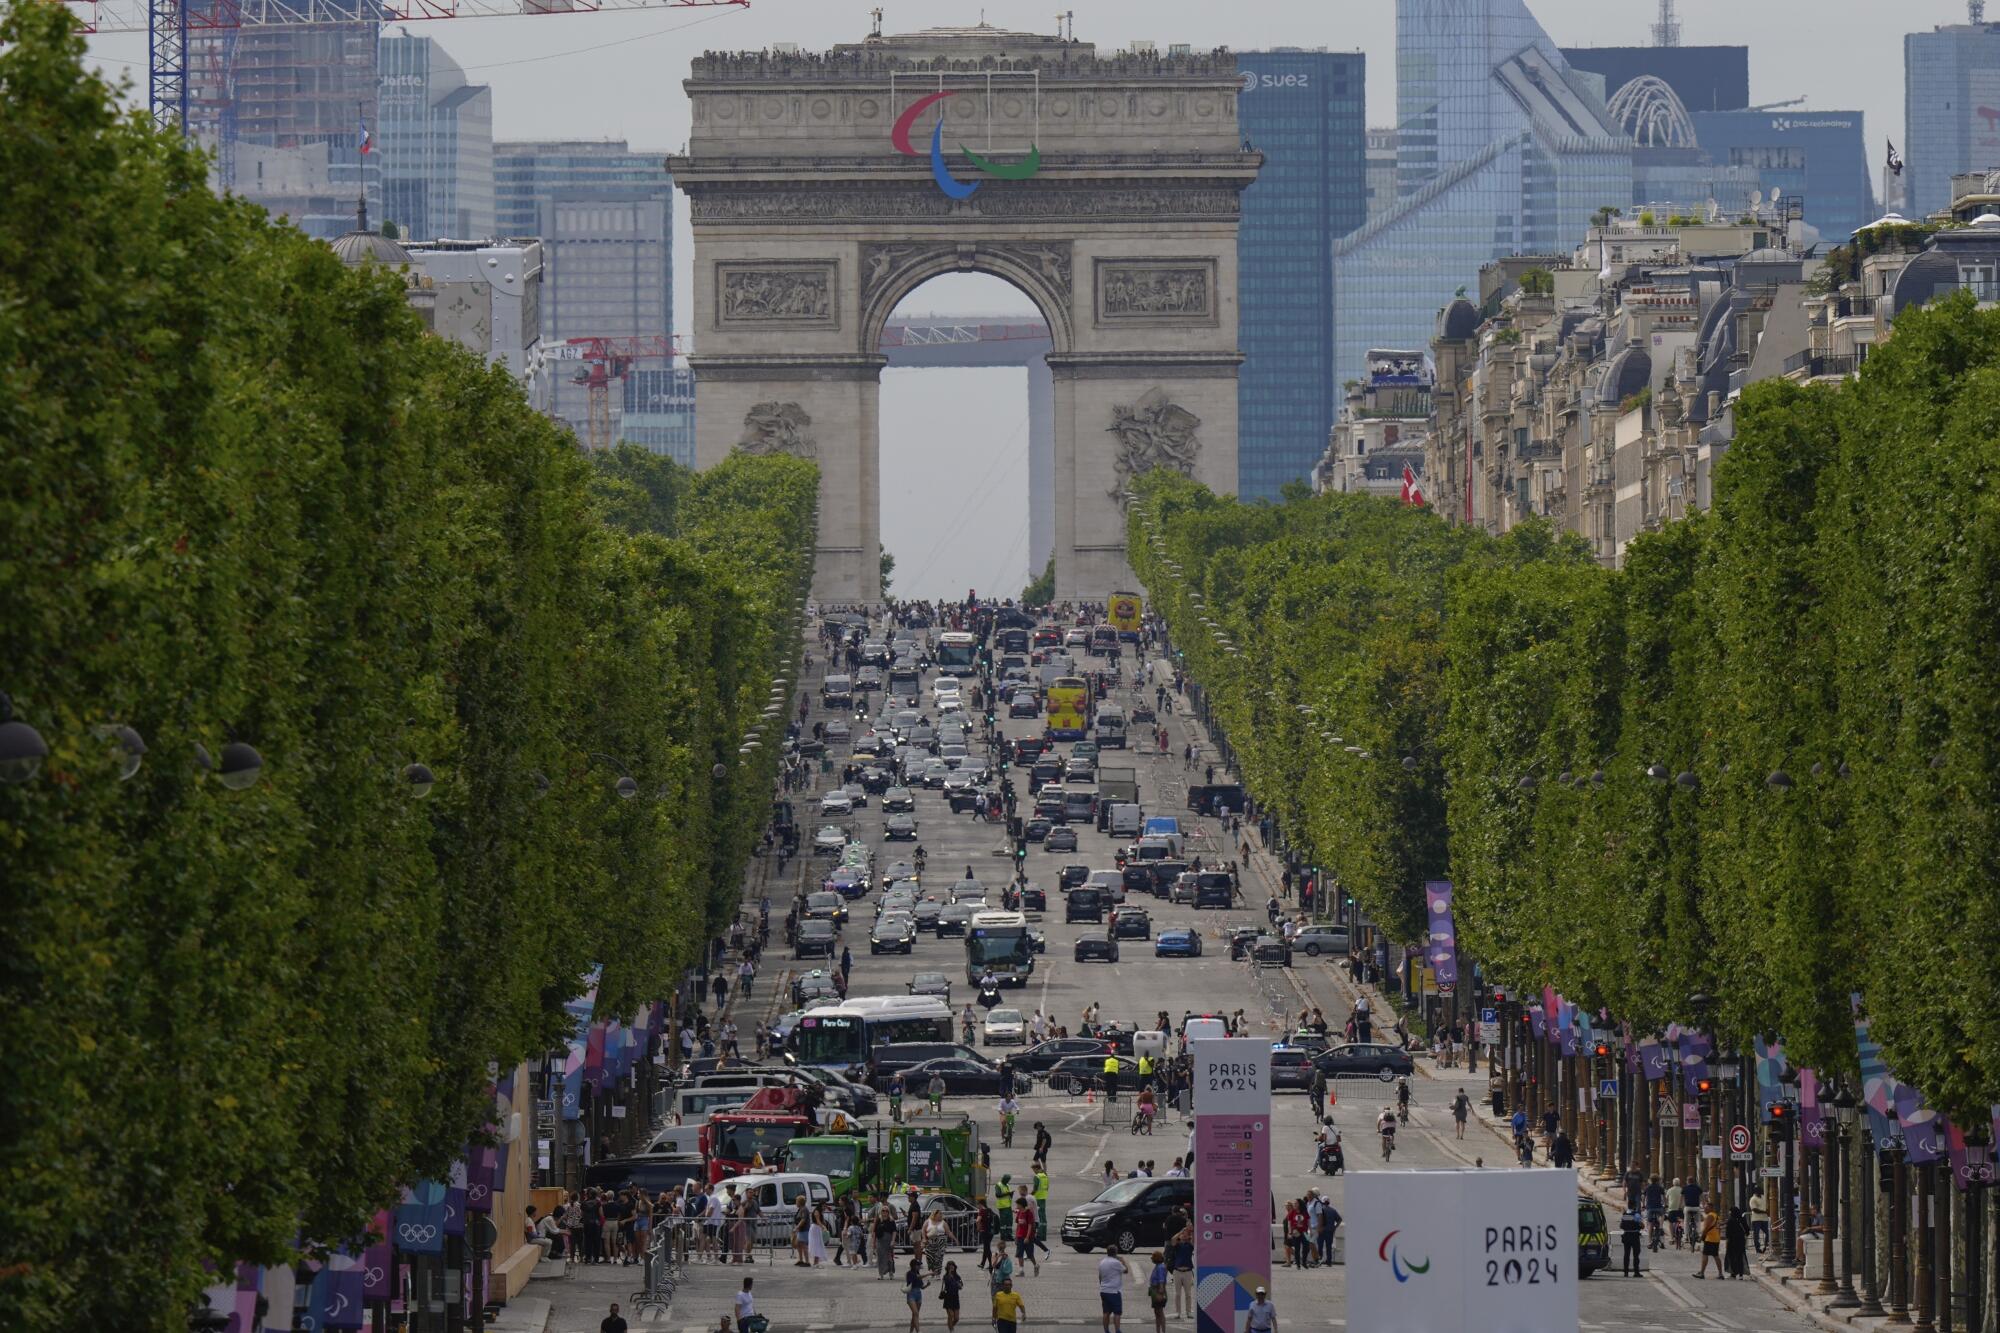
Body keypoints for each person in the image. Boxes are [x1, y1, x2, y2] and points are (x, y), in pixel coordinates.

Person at [1097, 1249, 1131, 1333]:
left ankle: (1106, 1330)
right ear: (1115, 1253)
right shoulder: (1116, 1263)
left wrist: (1102, 1285)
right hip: (1114, 1291)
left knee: (1106, 1312)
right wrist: (1122, 1261)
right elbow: (1126, 1270)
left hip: (1104, 1290)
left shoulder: (1102, 1262)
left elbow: (1100, 1276)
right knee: (1117, 1312)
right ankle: (1117, 1330)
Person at [1167, 1219, 1195, 1318]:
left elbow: (1194, 1241)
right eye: (1183, 1234)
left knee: (1188, 1294)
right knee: (1177, 1294)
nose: (1184, 1235)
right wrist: (1180, 1231)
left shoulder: (1190, 1245)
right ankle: (1178, 1312)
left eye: (1185, 1234)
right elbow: (1173, 1240)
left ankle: (1188, 1312)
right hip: (1177, 1271)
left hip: (1187, 1271)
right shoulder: (1177, 1245)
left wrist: (1190, 1230)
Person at [1694, 1203, 1722, 1278]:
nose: (1705, 1209)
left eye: (1706, 1208)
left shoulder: (1710, 1216)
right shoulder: (1716, 1216)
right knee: (1716, 1256)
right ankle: (1720, 1274)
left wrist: (1701, 1237)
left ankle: (1702, 1273)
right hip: (1716, 1238)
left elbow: (1706, 1228)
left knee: (1705, 1255)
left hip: (1710, 1238)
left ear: (1711, 1208)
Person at [1724, 1206, 1750, 1279]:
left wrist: (1726, 1243)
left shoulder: (1730, 1220)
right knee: (1740, 1257)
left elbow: (1728, 1234)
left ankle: (1733, 1273)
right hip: (1741, 1241)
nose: (1729, 1212)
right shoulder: (1742, 1219)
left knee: (1732, 1257)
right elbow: (1747, 1230)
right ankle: (1741, 1274)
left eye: (1730, 1211)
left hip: (1732, 1242)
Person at [1147, 1251, 1170, 1333]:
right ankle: (1158, 1331)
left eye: (1153, 1257)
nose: (1152, 1259)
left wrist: (1160, 1292)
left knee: (1159, 1312)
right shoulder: (1159, 1266)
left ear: (1156, 1258)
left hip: (1157, 1290)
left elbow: (1161, 1280)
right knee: (1157, 1312)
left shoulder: (1160, 1267)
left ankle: (1162, 1331)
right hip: (1155, 1290)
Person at [1619, 1205, 1644, 1276]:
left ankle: (1626, 1272)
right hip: (1634, 1236)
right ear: (1634, 1206)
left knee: (1626, 1254)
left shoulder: (1624, 1214)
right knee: (1636, 1255)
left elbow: (1621, 1226)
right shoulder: (1636, 1215)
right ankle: (1636, 1272)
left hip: (1626, 1236)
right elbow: (1642, 1225)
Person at [905, 1256, 927, 1331]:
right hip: (911, 1294)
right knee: (916, 1313)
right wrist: (930, 1273)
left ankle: (911, 1331)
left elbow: (922, 1287)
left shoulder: (918, 1274)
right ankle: (918, 1331)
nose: (919, 1266)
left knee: (915, 1315)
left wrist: (927, 1285)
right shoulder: (909, 1273)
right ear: (913, 1265)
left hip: (918, 1294)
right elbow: (916, 1278)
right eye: (918, 1265)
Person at [941, 1259, 964, 1329]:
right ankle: (951, 1330)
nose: (952, 1267)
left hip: (955, 1298)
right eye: (950, 1266)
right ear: (947, 1268)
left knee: (956, 1318)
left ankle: (950, 1326)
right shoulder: (945, 1277)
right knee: (951, 1315)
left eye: (953, 1266)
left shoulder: (957, 1276)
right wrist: (950, 1275)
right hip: (948, 1298)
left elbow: (960, 1286)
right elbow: (946, 1283)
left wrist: (958, 1283)